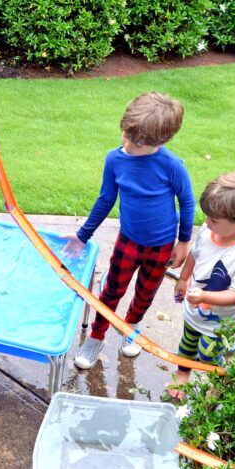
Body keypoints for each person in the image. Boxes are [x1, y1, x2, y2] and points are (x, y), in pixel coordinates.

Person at [63, 93, 195, 370]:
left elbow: (187, 202)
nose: (128, 144)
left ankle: (132, 327)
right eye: (127, 135)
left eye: (138, 143)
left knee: (145, 294)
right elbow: (105, 199)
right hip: (129, 242)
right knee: (112, 291)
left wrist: (183, 242)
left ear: (162, 141)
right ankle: (96, 337)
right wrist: (83, 234)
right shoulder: (115, 160)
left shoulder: (172, 167)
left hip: (161, 247)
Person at [166, 173, 235, 399]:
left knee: (209, 355)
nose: (207, 222)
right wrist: (183, 279)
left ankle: (214, 383)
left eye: (214, 220)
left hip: (219, 322)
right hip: (194, 310)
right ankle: (182, 374)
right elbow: (194, 255)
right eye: (208, 217)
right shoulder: (209, 231)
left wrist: (204, 298)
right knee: (187, 344)